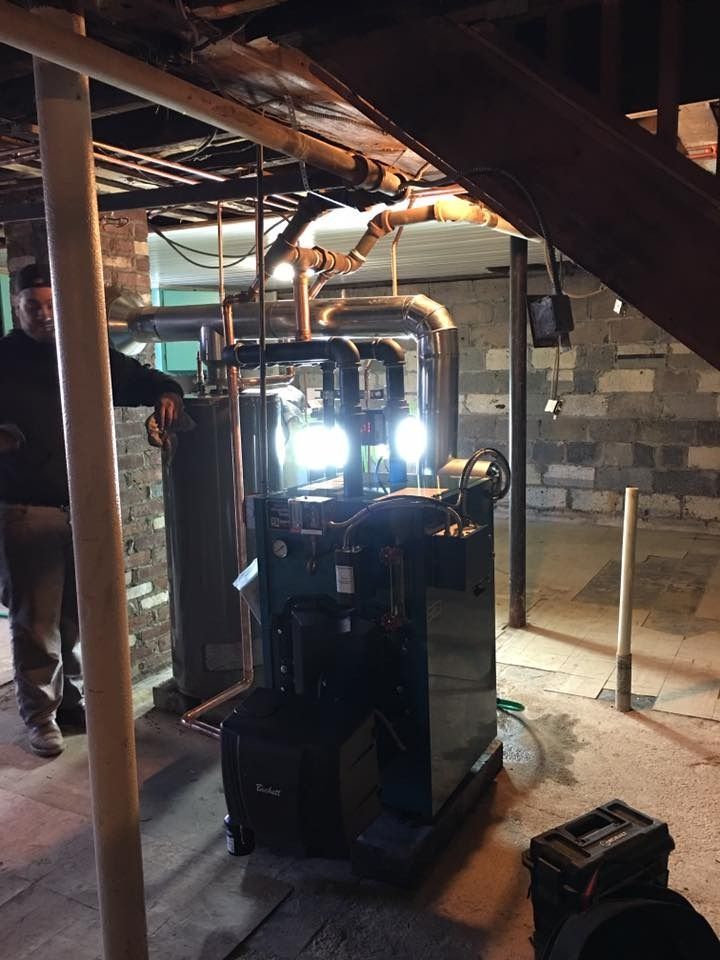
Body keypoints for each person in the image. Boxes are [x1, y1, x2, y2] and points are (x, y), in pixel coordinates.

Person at [0, 265, 184, 758]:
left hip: (82, 508)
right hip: (26, 511)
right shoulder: (3, 359)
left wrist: (169, 391)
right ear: (16, 308)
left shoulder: (82, 353)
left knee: (75, 619)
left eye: (50, 304)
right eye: (32, 306)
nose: (43, 314)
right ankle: (40, 718)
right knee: (35, 624)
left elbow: (140, 378)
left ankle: (70, 704)